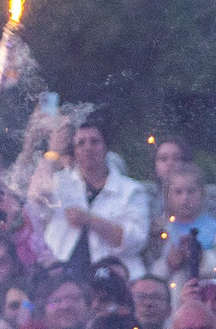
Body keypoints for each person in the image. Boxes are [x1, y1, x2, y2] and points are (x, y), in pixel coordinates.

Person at [43, 115, 150, 278]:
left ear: (106, 147)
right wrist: (53, 151)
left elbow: (136, 240)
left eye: (94, 142)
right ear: (75, 151)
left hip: (112, 277)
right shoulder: (58, 182)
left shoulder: (131, 191)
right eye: (81, 143)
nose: (88, 148)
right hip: (62, 274)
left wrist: (90, 220)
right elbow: (36, 208)